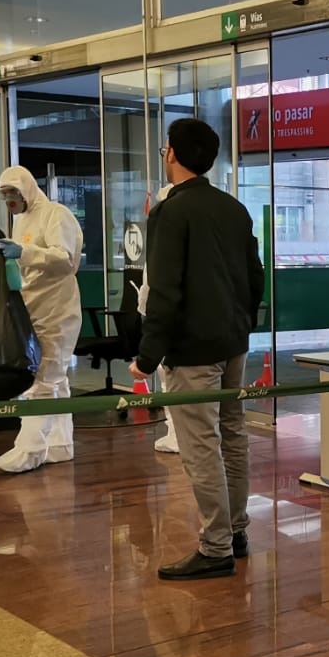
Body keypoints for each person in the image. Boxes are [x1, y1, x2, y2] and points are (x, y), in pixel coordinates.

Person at [129, 118, 263, 581]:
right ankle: (236, 530)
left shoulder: (170, 212)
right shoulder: (233, 208)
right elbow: (255, 277)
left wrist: (147, 357)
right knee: (232, 433)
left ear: (172, 154)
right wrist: (243, 324)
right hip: (233, 342)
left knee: (200, 444)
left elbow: (164, 292)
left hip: (192, 348)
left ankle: (215, 546)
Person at [0, 166, 83, 473]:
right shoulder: (22, 221)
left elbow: (65, 258)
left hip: (57, 310)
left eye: (13, 194)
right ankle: (60, 443)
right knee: (56, 380)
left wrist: (24, 252)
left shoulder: (56, 214)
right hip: (33, 309)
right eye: (5, 196)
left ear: (27, 189)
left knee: (43, 380)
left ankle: (28, 450)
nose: (9, 201)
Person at [139, 182, 180, 455]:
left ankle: (178, 435)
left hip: (171, 326)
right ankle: (176, 433)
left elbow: (157, 290)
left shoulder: (168, 243)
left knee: (174, 383)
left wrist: (146, 357)